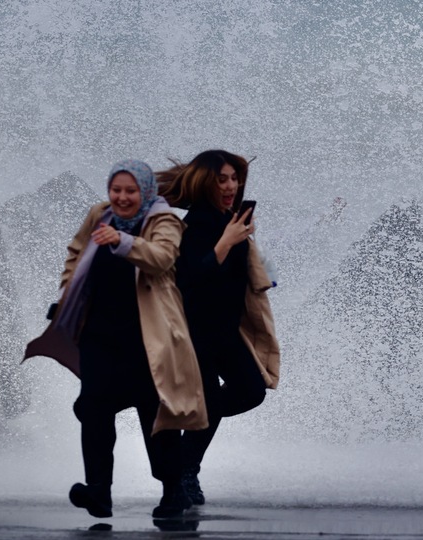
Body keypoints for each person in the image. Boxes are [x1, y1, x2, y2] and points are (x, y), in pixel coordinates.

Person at [24, 159, 208, 519]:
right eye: (115, 190)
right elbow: (77, 253)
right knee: (93, 407)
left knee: (154, 413)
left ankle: (173, 490)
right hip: (99, 333)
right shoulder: (100, 214)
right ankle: (98, 491)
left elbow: (162, 258)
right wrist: (67, 292)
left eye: (130, 191)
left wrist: (123, 241)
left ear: (145, 191)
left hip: (148, 336)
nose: (121, 197)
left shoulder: (164, 220)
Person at [156, 150, 280, 505]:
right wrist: (226, 242)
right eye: (221, 179)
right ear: (205, 183)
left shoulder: (231, 221)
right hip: (194, 332)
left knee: (251, 390)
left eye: (234, 179)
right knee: (209, 402)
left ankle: (182, 456)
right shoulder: (195, 225)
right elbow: (189, 280)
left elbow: (242, 276)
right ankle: (185, 472)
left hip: (225, 332)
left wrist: (256, 260)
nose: (230, 186)